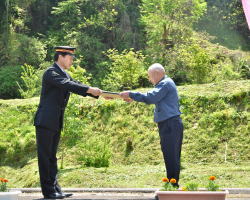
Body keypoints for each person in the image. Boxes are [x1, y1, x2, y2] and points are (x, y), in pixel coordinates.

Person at [34, 46, 102, 199]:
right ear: (61, 57)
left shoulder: (64, 74)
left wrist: (99, 94)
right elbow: (69, 85)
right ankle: (49, 192)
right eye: (70, 58)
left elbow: (77, 86)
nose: (72, 61)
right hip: (45, 121)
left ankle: (56, 190)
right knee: (45, 157)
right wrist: (90, 89)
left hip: (55, 121)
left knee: (52, 156)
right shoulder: (51, 73)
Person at [120, 63, 183, 187]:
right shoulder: (164, 84)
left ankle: (172, 185)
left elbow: (151, 97)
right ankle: (171, 184)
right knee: (169, 154)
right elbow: (153, 97)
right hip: (169, 124)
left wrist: (131, 94)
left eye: (149, 76)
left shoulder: (165, 83)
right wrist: (133, 98)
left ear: (156, 74)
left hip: (170, 124)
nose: (149, 79)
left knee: (171, 155)